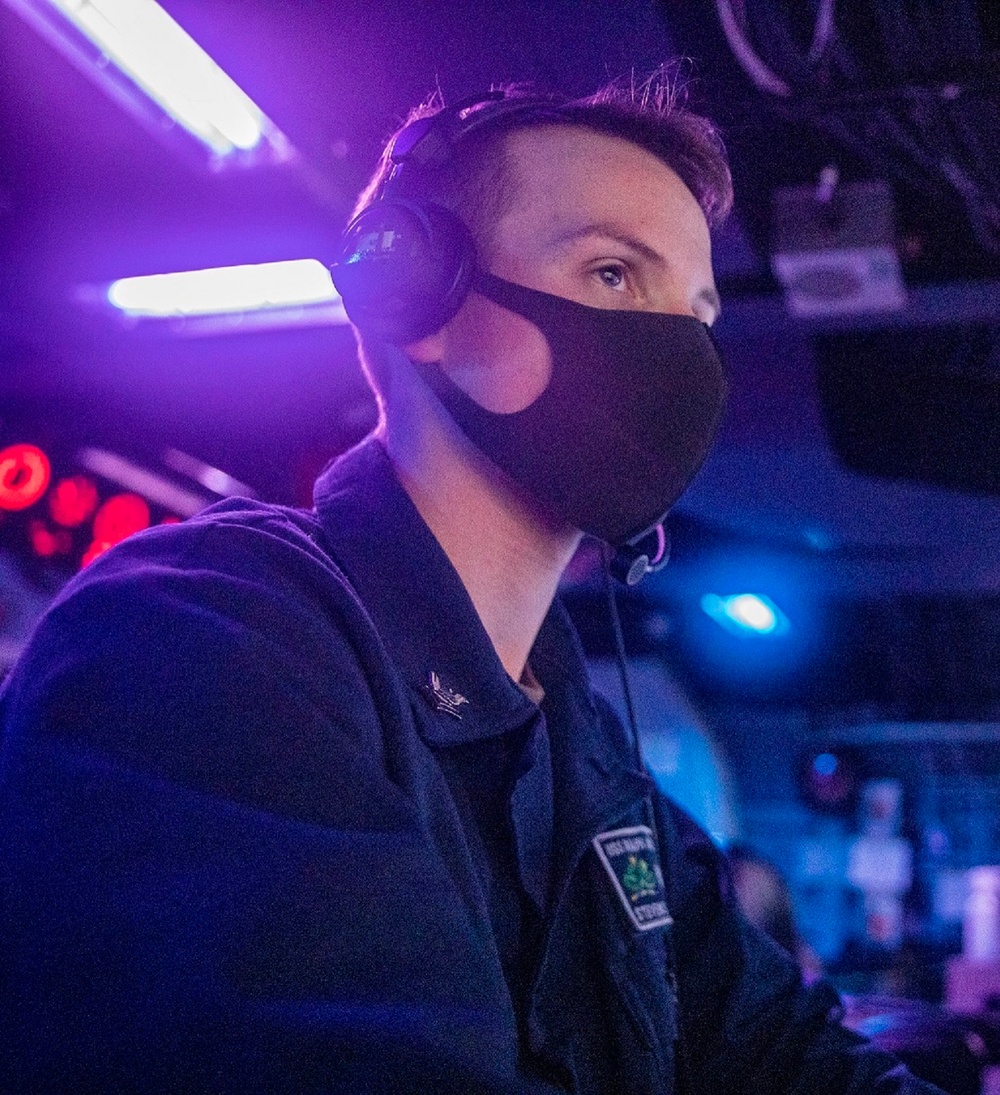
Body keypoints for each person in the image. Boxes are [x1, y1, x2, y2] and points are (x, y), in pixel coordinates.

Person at [0, 76, 945, 1093]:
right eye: (617, 275)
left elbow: (782, 1052)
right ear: (415, 297)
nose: (681, 351)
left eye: (700, 311)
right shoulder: (197, 639)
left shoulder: (584, 756)